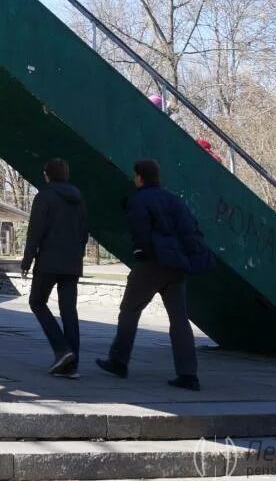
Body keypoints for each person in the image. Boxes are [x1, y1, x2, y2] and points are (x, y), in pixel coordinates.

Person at [97, 159, 212, 391]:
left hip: (152, 263)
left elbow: (140, 231)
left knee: (130, 309)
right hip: (177, 266)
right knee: (179, 319)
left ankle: (119, 361)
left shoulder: (139, 199)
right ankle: (188, 374)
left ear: (139, 177)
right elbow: (191, 230)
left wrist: (142, 253)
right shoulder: (174, 200)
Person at [21, 158, 90, 378]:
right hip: (72, 262)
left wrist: (27, 260)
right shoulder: (78, 198)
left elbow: (35, 231)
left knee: (37, 302)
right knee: (69, 311)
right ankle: (72, 366)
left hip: (49, 261)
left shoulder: (44, 196)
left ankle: (62, 350)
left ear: (47, 174)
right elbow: (83, 232)